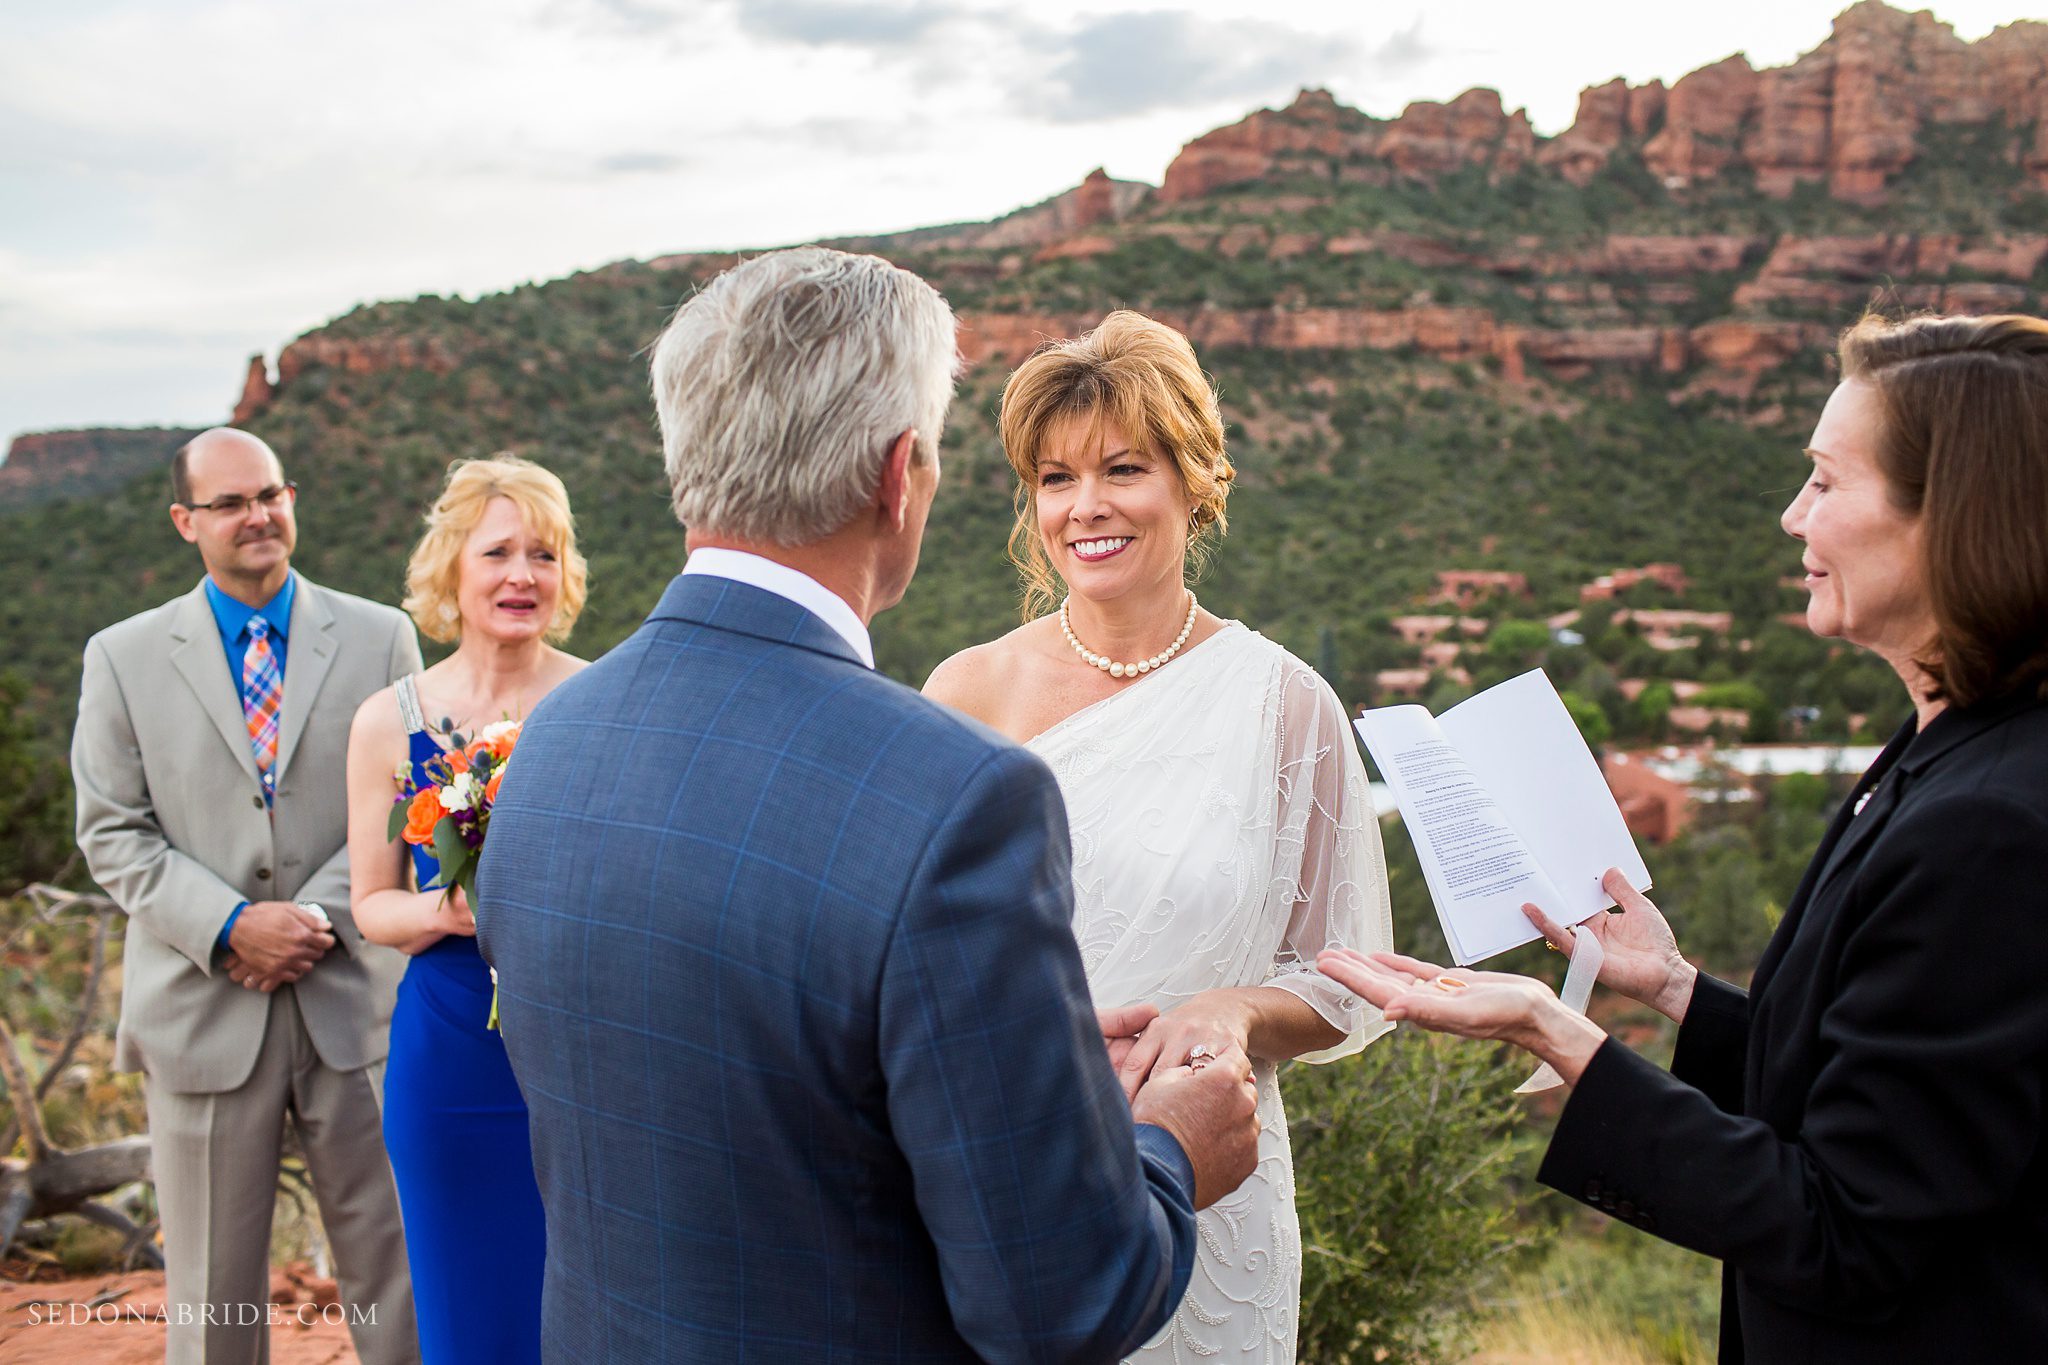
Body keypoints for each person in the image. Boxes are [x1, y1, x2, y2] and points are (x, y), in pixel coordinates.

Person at [473, 247, 1263, 1364]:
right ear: (900, 476)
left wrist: (997, 1049)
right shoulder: (956, 799)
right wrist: (1170, 1153)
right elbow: (1059, 1306)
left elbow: (715, 1066)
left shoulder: (557, 740)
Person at [1318, 313, 2048, 1362]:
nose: (1790, 513)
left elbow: (1850, 1232)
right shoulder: (1948, 751)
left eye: (1826, 483)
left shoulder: (1990, 828)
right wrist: (1671, 989)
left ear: (1951, 520)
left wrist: (1552, 1032)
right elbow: (1857, 1093)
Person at [923, 310, 1395, 1363]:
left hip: (1211, 1191)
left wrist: (1230, 1008)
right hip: (1007, 1171)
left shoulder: (1285, 703)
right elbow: (913, 963)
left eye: (1122, 469)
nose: (1085, 507)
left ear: (1193, 480)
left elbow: (1341, 978)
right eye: (1054, 478)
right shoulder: (965, 692)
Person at [71, 427, 420, 1364]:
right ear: (187, 521)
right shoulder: (122, 656)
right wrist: (230, 924)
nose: (256, 516)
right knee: (213, 1303)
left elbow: (410, 801)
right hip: (202, 1011)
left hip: (356, 1010)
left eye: (270, 494)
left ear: (292, 498)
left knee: (399, 1288)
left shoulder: (382, 635)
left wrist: (310, 919)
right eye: (229, 503)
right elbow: (111, 829)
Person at [345, 455, 587, 1364]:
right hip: (449, 1053)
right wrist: (448, 907)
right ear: (452, 567)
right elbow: (371, 905)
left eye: (544, 554)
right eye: (497, 553)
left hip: (576, 1051)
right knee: (466, 1318)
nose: (522, 575)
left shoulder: (598, 702)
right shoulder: (386, 720)